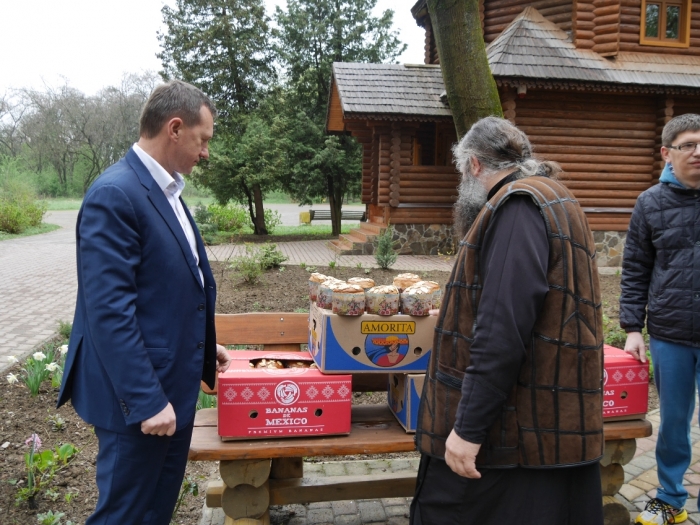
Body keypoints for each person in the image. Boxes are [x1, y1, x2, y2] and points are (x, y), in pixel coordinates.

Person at [411, 117, 605, 525]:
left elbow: (501, 330)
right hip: (546, 425)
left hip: (512, 438)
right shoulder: (557, 196)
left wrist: (467, 431)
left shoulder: (516, 207)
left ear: (474, 166)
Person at [57, 80, 231, 525]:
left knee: (153, 513)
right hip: (138, 402)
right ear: (175, 128)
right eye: (202, 140)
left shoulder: (167, 191)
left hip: (171, 389)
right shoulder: (115, 194)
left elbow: (164, 291)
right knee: (125, 515)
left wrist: (201, 348)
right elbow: (108, 310)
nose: (205, 152)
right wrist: (147, 400)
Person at [620, 113, 700, 525]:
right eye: (688, 144)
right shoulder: (650, 203)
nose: (698, 152)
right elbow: (635, 269)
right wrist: (633, 328)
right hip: (672, 334)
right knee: (673, 424)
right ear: (667, 153)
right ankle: (671, 499)